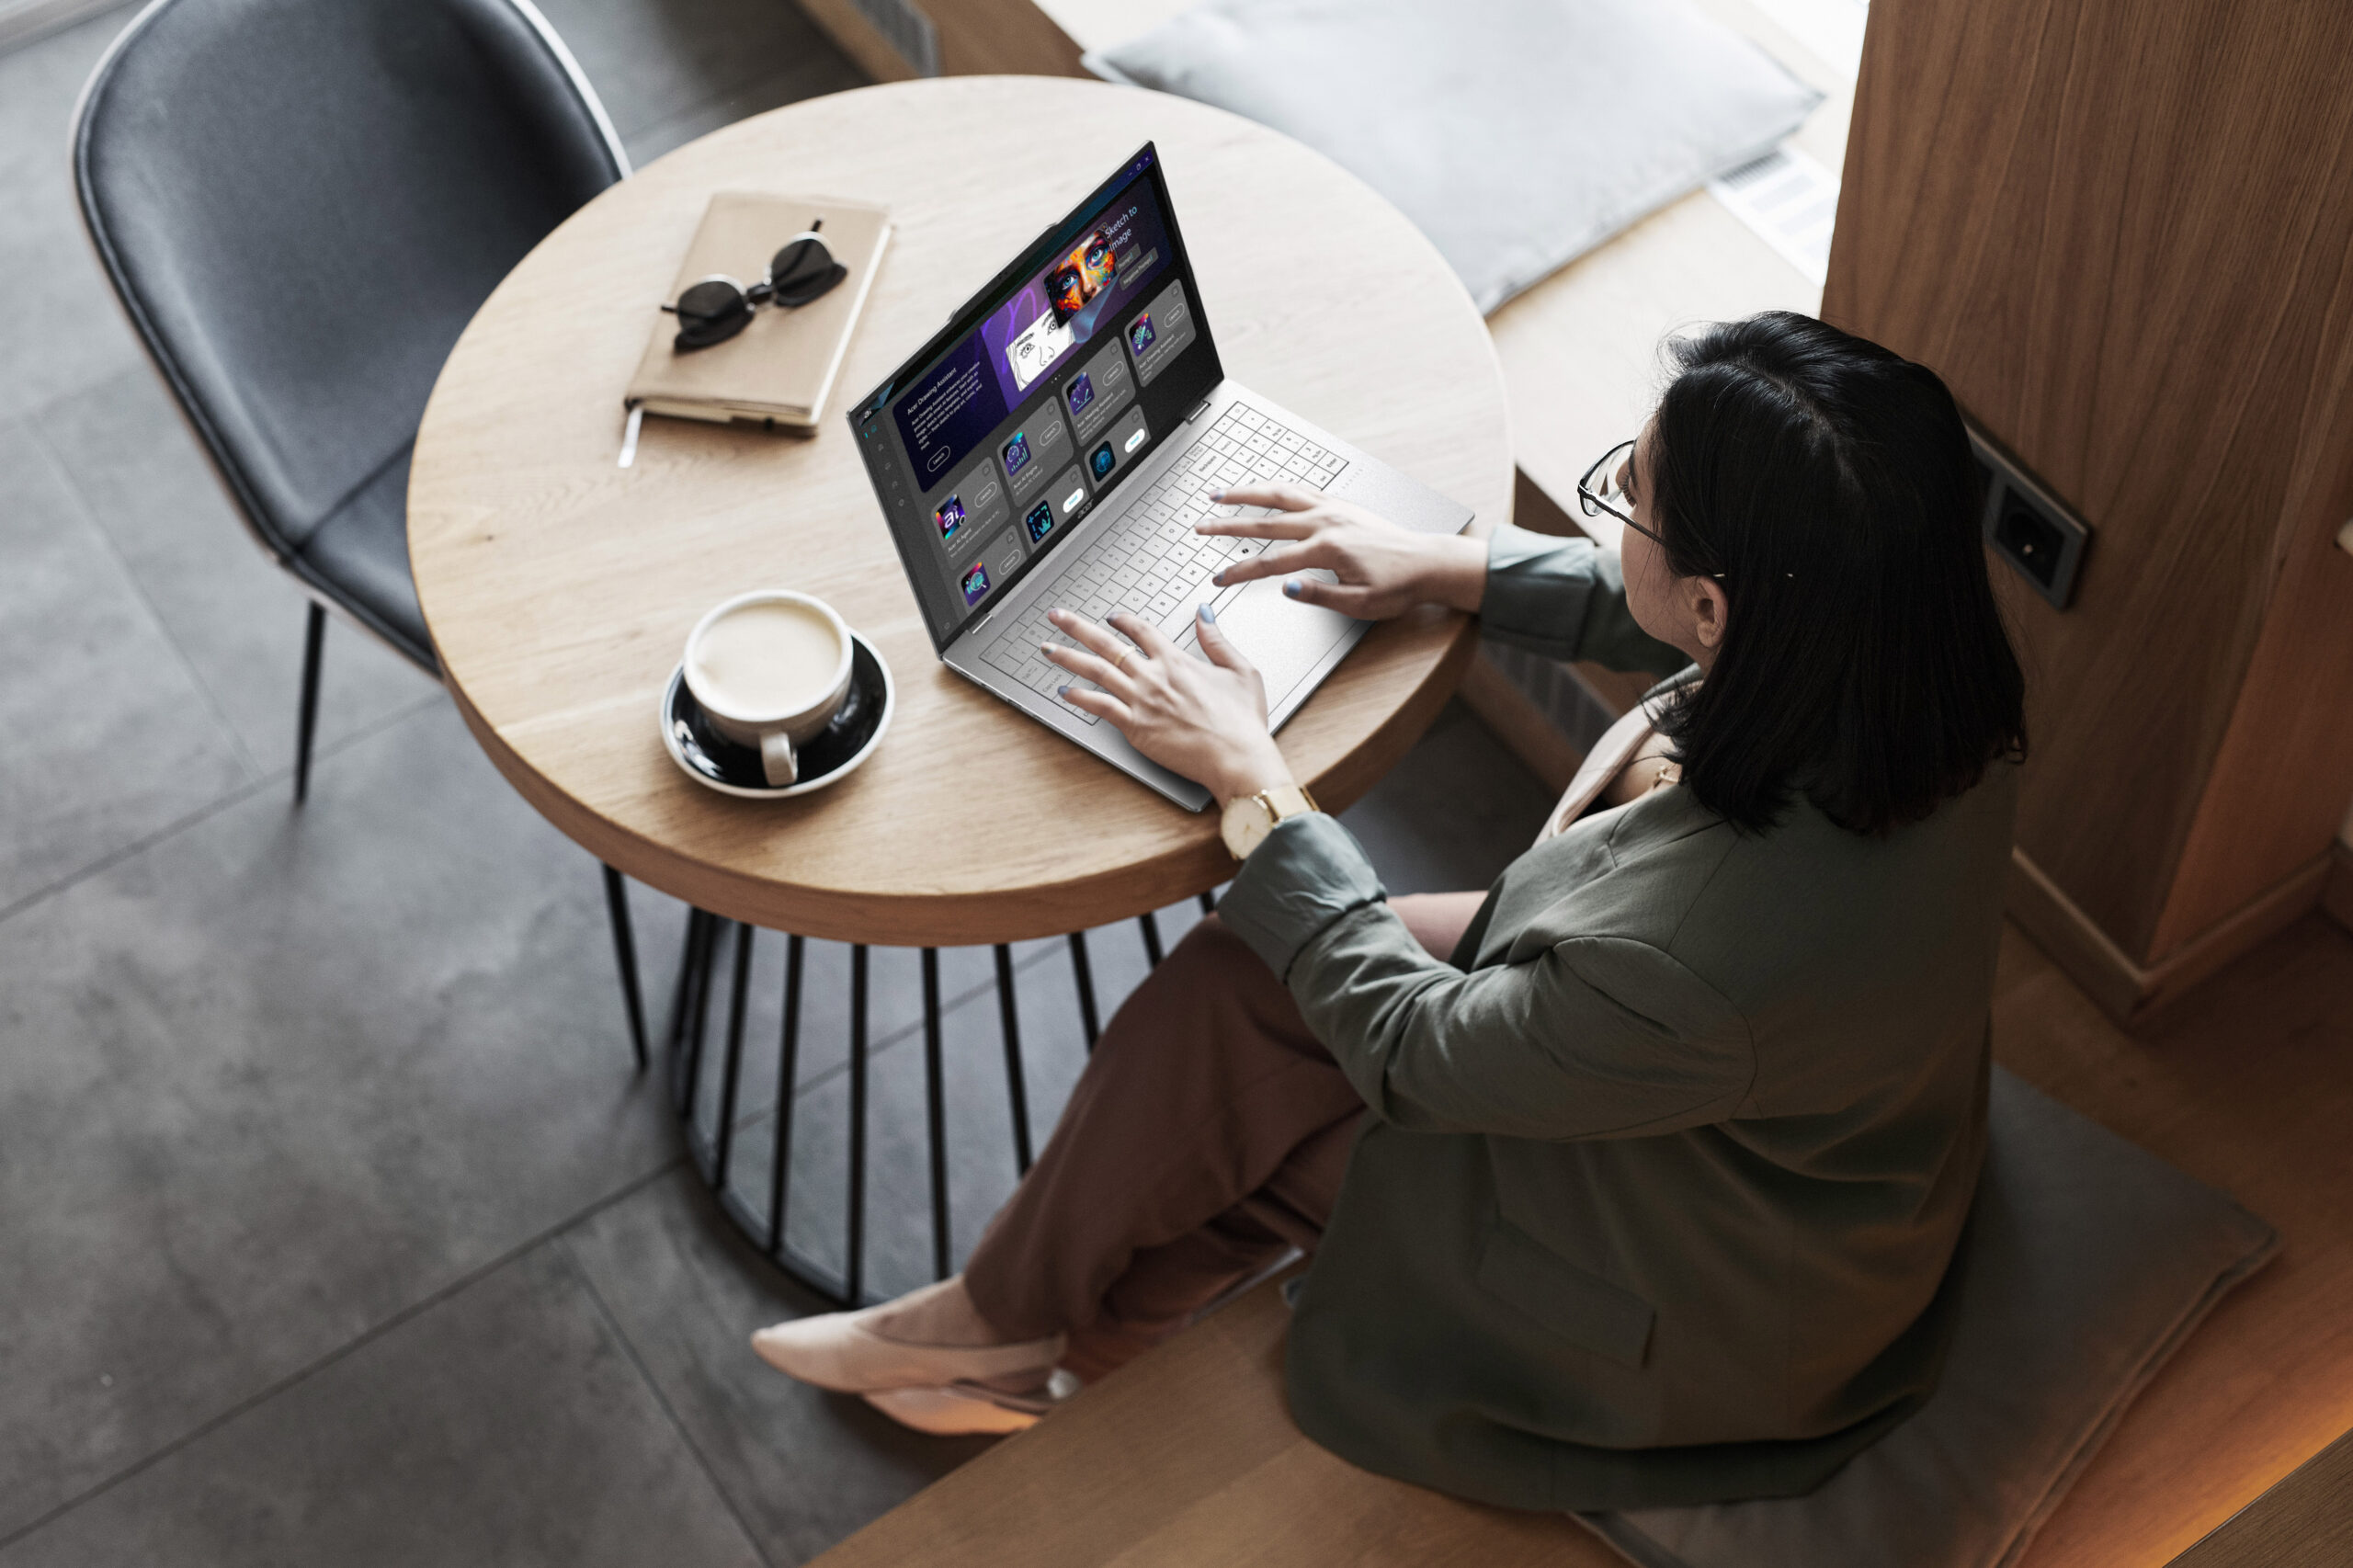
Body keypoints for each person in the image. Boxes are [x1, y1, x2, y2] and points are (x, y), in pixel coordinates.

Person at [752, 312, 2027, 1512]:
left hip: (1698, 1301)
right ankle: (1016, 1321)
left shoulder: (1690, 949)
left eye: (1633, 499)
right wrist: (1446, 564)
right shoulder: (1919, 675)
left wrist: (1257, 784)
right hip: (1744, 1095)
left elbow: (1417, 1060)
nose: (1620, 518)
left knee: (1281, 1131)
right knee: (1238, 977)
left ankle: (1037, 1338)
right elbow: (1711, 620)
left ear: (1714, 605)